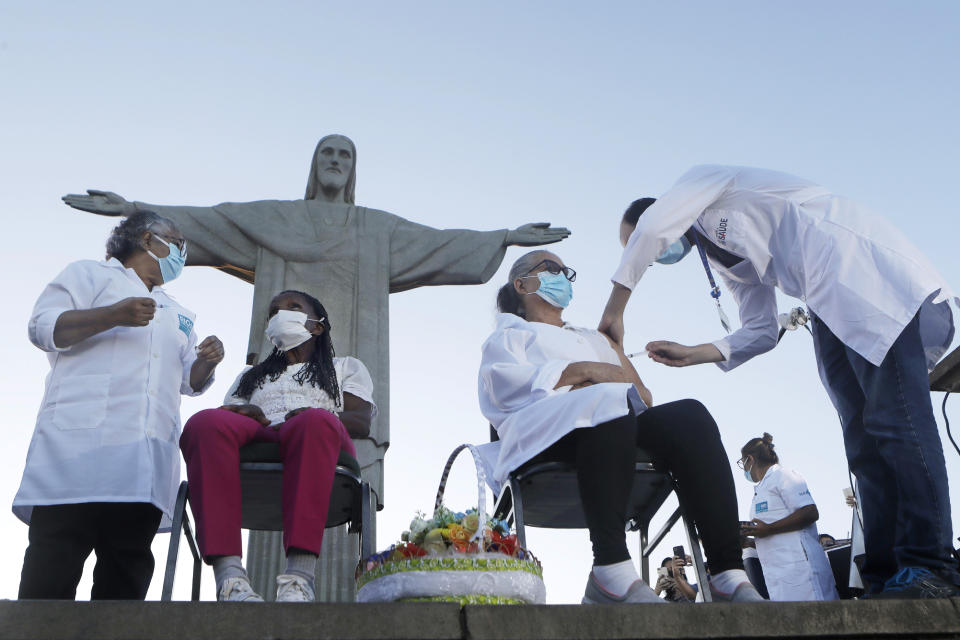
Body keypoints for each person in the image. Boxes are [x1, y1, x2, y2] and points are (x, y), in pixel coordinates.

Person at [600, 165, 960, 599]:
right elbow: (762, 329)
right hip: (823, 298)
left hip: (856, 268)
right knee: (862, 442)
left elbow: (655, 228)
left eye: (637, 243)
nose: (650, 255)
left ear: (659, 215)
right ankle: (885, 573)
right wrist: (695, 353)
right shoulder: (723, 260)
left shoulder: (703, 186)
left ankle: (930, 563)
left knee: (895, 422)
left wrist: (615, 309)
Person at [478, 250, 764, 604]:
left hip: (613, 429)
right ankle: (609, 569)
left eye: (566, 271)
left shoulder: (594, 338)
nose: (562, 277)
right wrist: (586, 372)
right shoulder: (511, 334)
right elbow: (503, 387)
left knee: (691, 417)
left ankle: (726, 572)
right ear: (520, 284)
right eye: (550, 269)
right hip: (545, 437)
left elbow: (641, 395)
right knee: (606, 401)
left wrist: (611, 355)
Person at [14, 211, 223, 600]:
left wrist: (207, 361)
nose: (182, 253)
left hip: (142, 463)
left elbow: (187, 382)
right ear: (148, 239)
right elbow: (43, 327)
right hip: (76, 452)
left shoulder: (178, 312)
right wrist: (113, 315)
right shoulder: (89, 275)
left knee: (126, 577)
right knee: (51, 572)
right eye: (176, 243)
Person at [179, 290, 376, 602]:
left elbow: (361, 420)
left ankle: (299, 579)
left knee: (315, 423)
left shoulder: (345, 367)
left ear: (317, 326)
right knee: (205, 423)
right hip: (260, 433)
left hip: (315, 438)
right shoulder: (250, 375)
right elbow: (230, 413)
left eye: (293, 307)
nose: (280, 314)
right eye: (274, 311)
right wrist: (249, 412)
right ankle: (230, 579)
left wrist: (318, 413)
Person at [739, 433, 839, 601]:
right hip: (780, 579)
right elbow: (773, 536)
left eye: (742, 463)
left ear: (750, 459)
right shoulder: (761, 489)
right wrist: (749, 541)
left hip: (802, 572)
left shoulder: (783, 476)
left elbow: (810, 512)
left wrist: (769, 529)